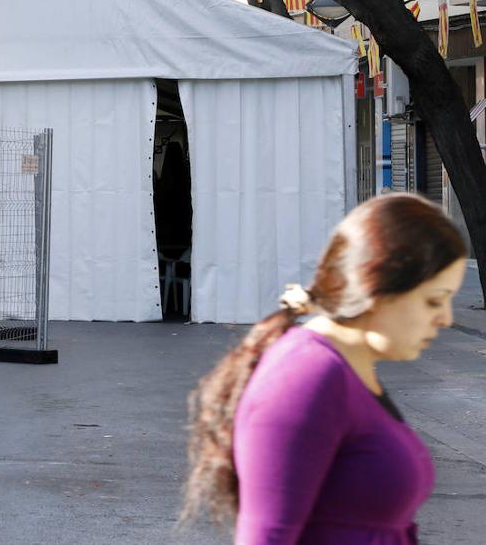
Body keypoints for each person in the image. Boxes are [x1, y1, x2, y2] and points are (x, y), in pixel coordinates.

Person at [181, 193, 467, 544]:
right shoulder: (306, 377)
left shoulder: (349, 368)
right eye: (433, 300)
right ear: (375, 286)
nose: (446, 319)